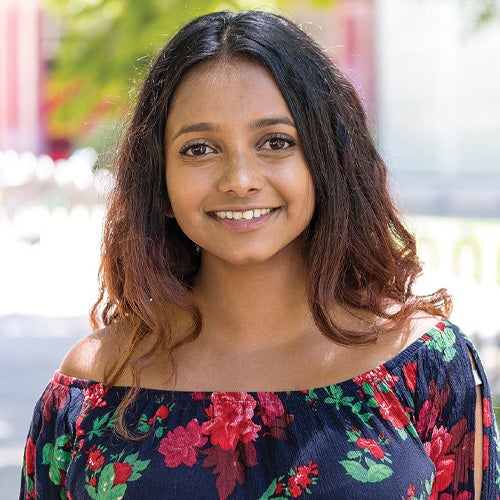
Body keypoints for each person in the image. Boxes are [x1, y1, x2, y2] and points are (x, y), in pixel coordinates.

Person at [20, 10, 499, 500]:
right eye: (200, 148)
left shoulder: (424, 365)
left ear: (326, 161)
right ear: (158, 181)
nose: (240, 178)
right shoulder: (92, 385)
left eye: (276, 142)